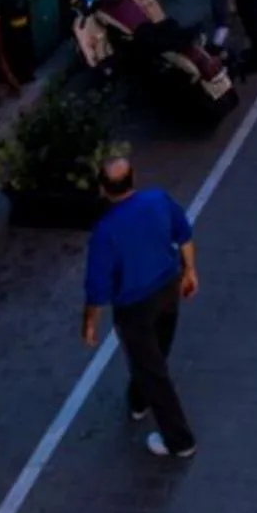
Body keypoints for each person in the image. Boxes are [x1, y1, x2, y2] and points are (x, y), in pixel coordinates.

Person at [79, 157, 198, 459]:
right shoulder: (158, 200)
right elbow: (183, 234)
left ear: (103, 189)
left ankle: (180, 441)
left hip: (134, 308)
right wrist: (190, 271)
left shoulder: (105, 232)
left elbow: (97, 287)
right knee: (156, 352)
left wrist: (90, 324)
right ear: (133, 177)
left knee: (152, 369)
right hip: (167, 290)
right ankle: (138, 399)